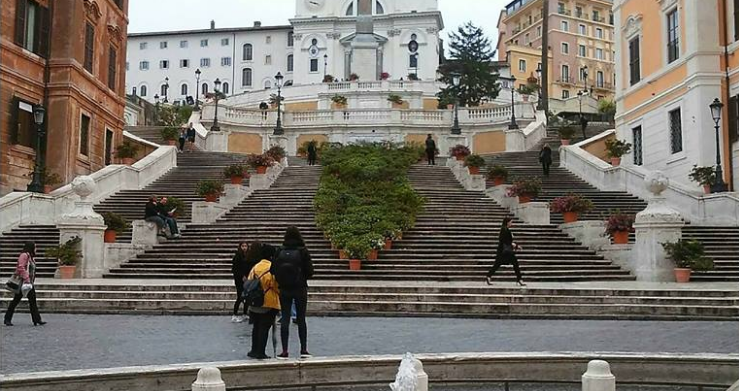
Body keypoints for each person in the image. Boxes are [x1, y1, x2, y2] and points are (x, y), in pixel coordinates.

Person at [271, 226, 314, 359]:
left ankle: (284, 350)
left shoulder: (280, 250)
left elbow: (272, 269)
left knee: (285, 318)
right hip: (300, 287)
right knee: (301, 319)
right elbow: (310, 271)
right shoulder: (303, 251)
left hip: (284, 288)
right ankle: (303, 349)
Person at [247, 244, 279, 360]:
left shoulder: (256, 267)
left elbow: (249, 280)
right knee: (264, 327)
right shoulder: (271, 268)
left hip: (254, 302)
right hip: (268, 302)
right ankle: (261, 351)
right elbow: (275, 284)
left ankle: (254, 350)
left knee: (256, 326)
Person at [4, 242, 45, 326]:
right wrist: (26, 278)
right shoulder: (24, 255)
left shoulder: (31, 257)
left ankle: (37, 319)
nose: (36, 249)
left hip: (29, 283)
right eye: (35, 247)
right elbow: (20, 267)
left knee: (32, 300)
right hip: (23, 282)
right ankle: (7, 318)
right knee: (16, 300)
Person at [486, 217, 526, 286]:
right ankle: (519, 279)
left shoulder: (505, 229)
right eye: (511, 222)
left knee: (497, 264)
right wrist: (515, 245)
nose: (511, 223)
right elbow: (506, 241)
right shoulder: (505, 230)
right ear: (507, 222)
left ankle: (489, 276)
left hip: (503, 251)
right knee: (515, 264)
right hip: (506, 251)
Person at [231, 242, 250, 322]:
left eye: (246, 246)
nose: (244, 248)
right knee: (239, 297)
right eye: (243, 246)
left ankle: (245, 314)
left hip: (246, 279)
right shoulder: (237, 256)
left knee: (247, 297)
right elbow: (235, 269)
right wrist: (242, 276)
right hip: (239, 280)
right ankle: (234, 314)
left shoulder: (248, 256)